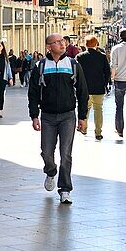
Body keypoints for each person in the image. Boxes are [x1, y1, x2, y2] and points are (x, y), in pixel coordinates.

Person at [28, 34, 89, 204]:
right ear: (48, 46)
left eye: (63, 41)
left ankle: (65, 189)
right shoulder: (41, 66)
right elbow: (33, 93)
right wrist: (34, 115)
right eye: (57, 42)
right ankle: (50, 171)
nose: (62, 44)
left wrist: (83, 116)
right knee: (46, 152)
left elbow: (83, 91)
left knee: (66, 153)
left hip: (68, 116)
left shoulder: (73, 64)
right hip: (47, 116)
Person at [76, 37, 112, 140]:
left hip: (85, 89)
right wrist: (104, 84)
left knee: (85, 109)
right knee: (98, 110)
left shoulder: (80, 57)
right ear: (96, 44)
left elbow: (76, 73)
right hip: (98, 88)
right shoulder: (102, 56)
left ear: (86, 45)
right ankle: (98, 132)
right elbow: (107, 72)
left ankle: (84, 128)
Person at [109, 29, 126, 139]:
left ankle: (119, 129)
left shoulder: (115, 48)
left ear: (119, 36)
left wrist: (113, 77)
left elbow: (113, 65)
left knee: (119, 106)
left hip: (119, 80)